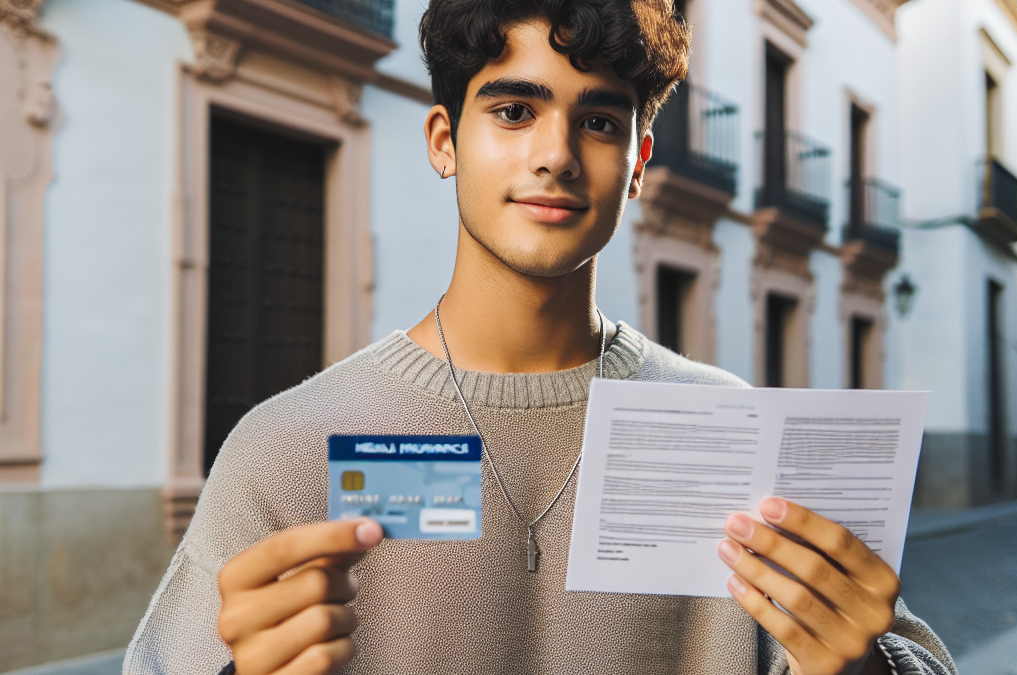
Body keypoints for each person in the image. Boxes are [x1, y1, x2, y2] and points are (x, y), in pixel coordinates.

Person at [125, 1, 956, 674]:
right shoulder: (286, 450)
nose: (556, 154)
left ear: (638, 161)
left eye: (599, 121)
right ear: (445, 141)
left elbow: (904, 656)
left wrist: (865, 667)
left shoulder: (732, 435)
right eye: (515, 110)